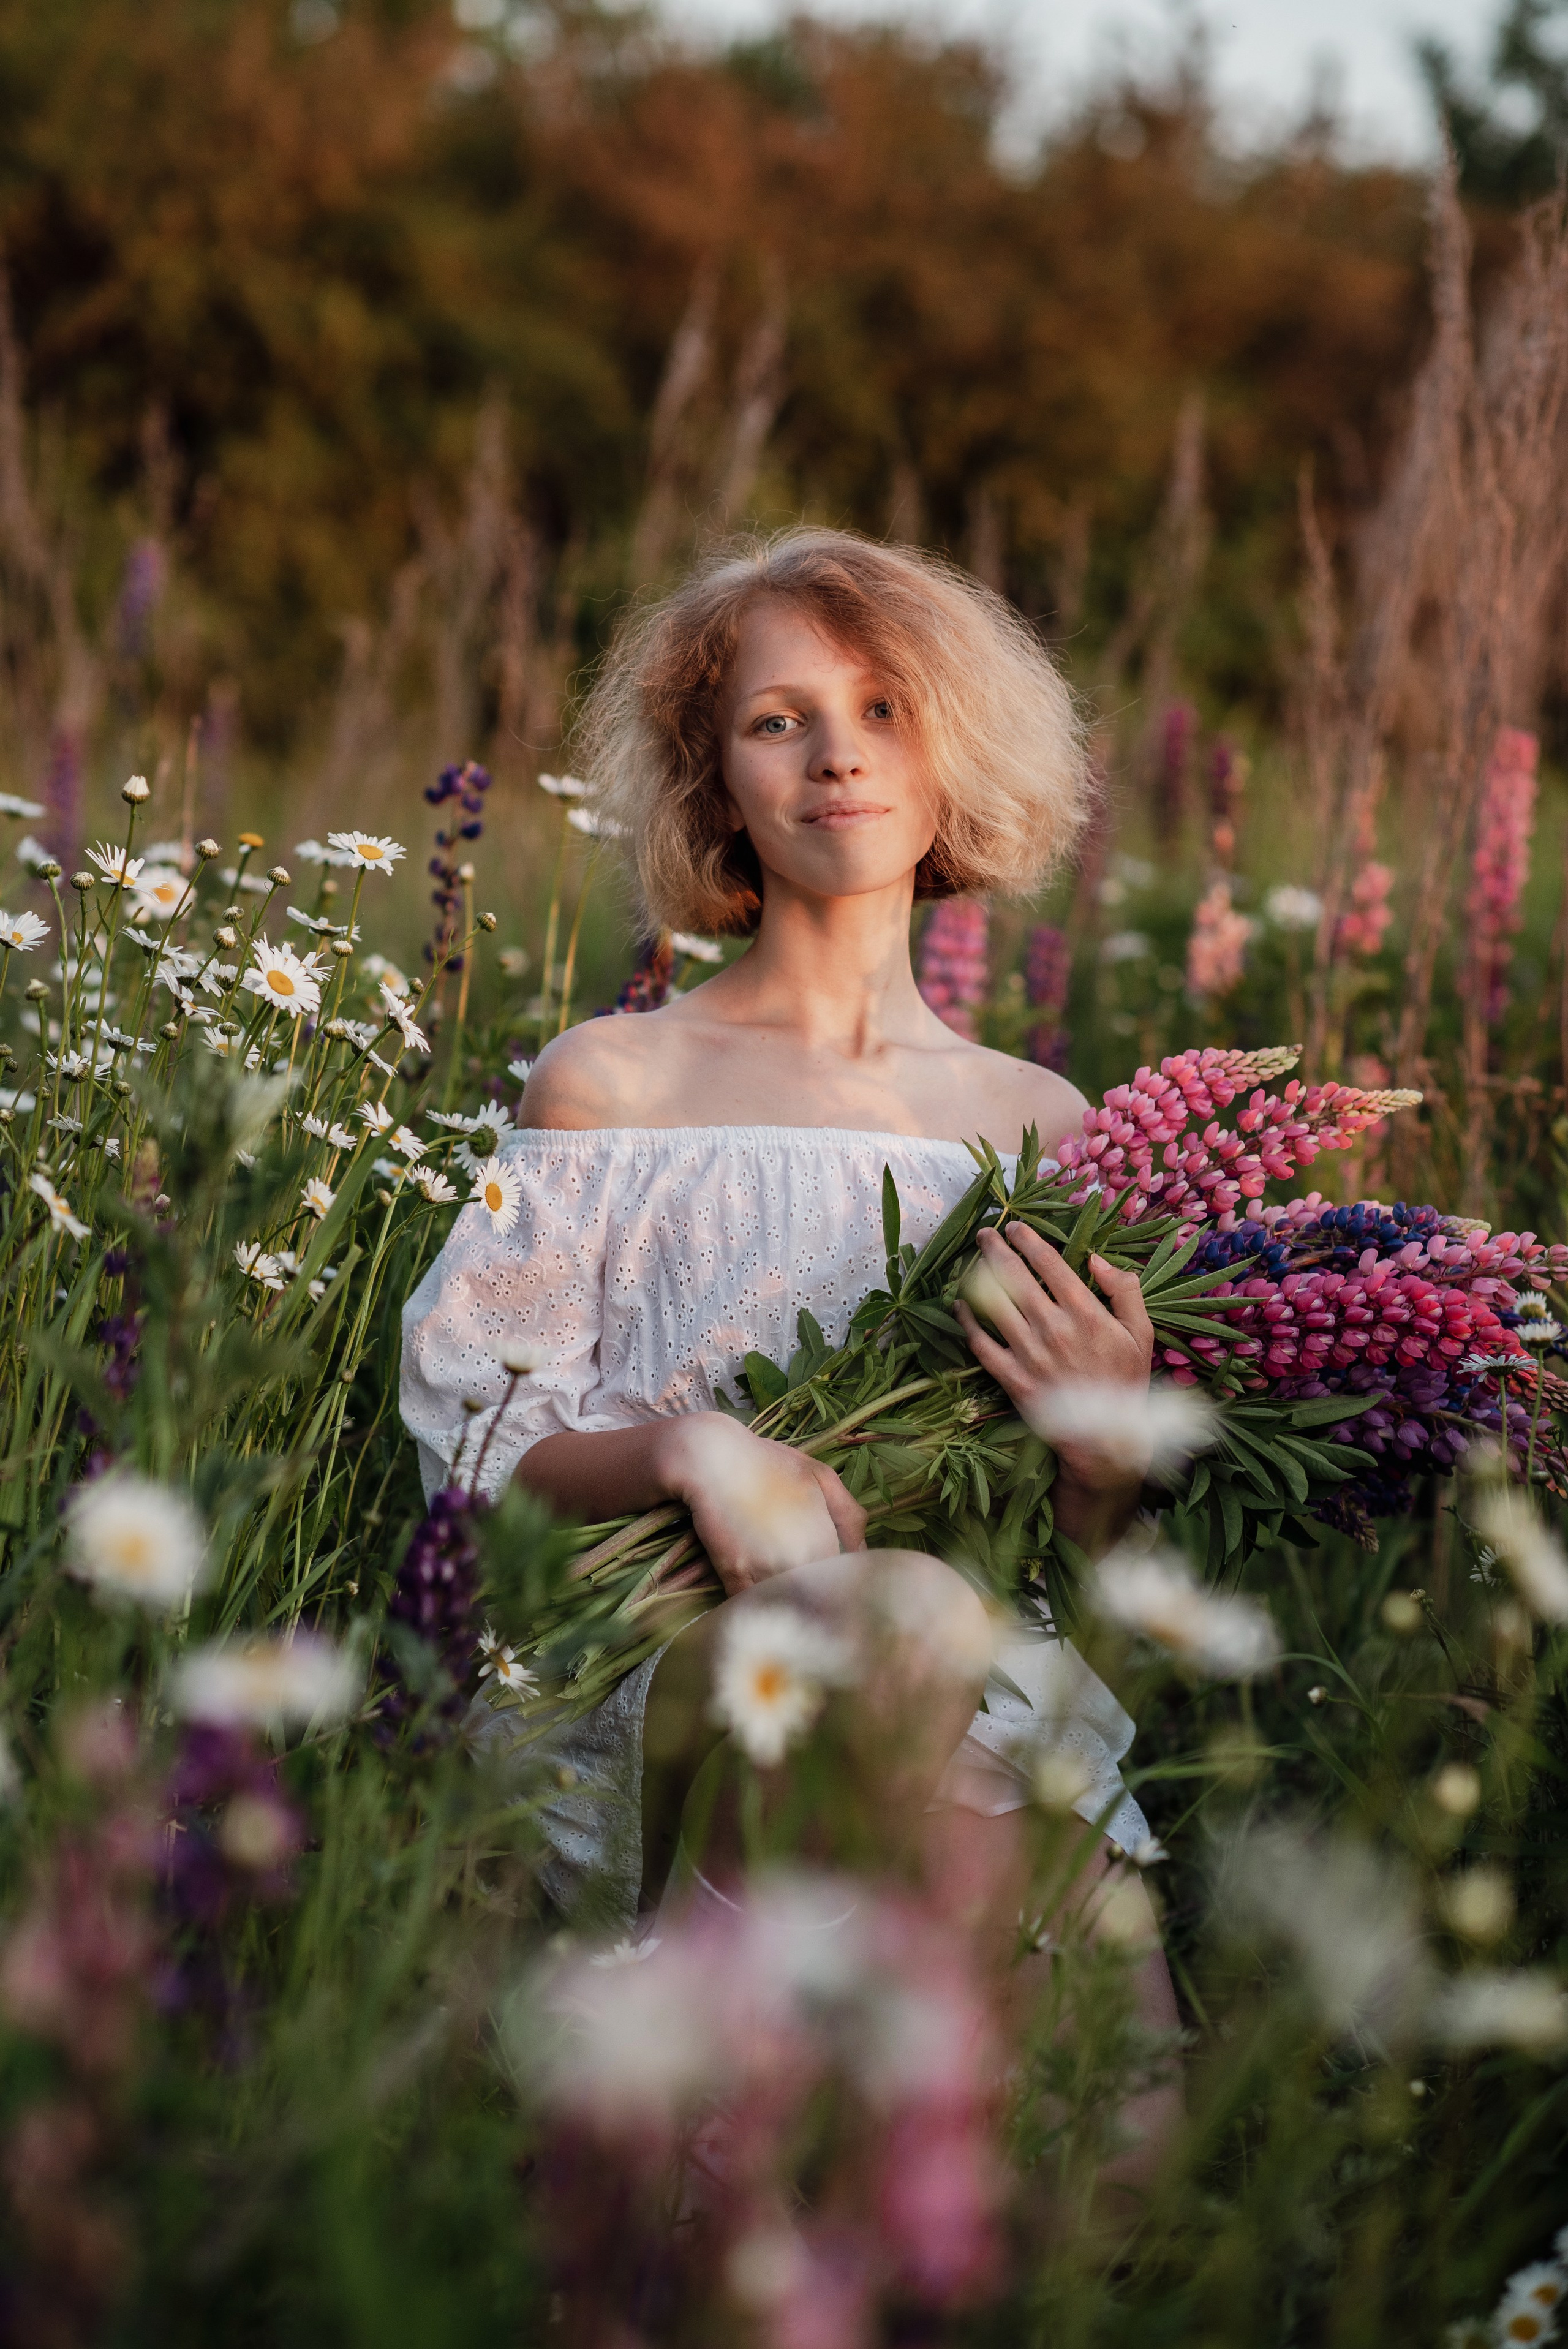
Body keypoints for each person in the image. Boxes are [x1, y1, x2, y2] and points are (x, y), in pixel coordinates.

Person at [401, 526, 1178, 2159]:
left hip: (977, 1698)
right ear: (715, 781)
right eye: (779, 719)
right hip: (672, 1682)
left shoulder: (1045, 1126)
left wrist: (1110, 1457)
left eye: (887, 708)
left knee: (1122, 2179)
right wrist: (689, 1448)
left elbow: (1098, 1580)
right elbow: (481, 1447)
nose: (838, 753)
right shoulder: (611, 1082)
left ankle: (746, 2139)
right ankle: (689, 2120)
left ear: (954, 752)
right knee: (892, 1618)